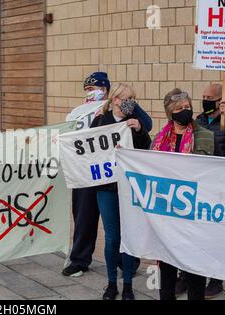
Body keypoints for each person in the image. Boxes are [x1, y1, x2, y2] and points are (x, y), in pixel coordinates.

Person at [62, 72, 152, 278]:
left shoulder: (131, 115)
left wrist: (137, 126)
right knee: (84, 217)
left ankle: (125, 261)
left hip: (114, 180)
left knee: (117, 224)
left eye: (94, 89)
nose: (90, 92)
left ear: (106, 91)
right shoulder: (83, 112)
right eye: (87, 89)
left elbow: (145, 131)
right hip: (88, 172)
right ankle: (79, 260)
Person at [151, 88, 216, 300]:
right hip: (167, 214)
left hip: (195, 212)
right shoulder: (159, 140)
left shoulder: (206, 137)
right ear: (170, 112)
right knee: (167, 269)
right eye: (179, 108)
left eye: (187, 107)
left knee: (196, 269)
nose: (185, 111)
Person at [90, 83, 151, 300]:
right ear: (115, 100)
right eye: (127, 98)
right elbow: (88, 150)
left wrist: (140, 130)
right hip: (106, 188)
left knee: (129, 236)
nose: (131, 102)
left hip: (128, 188)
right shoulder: (100, 121)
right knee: (112, 237)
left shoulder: (134, 122)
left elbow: (146, 150)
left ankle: (127, 285)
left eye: (133, 98)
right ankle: (111, 283)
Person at [171, 84, 225, 299]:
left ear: (220, 99)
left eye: (209, 97)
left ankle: (215, 278)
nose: (205, 100)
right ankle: (186, 274)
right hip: (194, 186)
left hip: (216, 186)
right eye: (203, 97)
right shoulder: (199, 121)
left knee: (212, 233)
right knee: (189, 233)